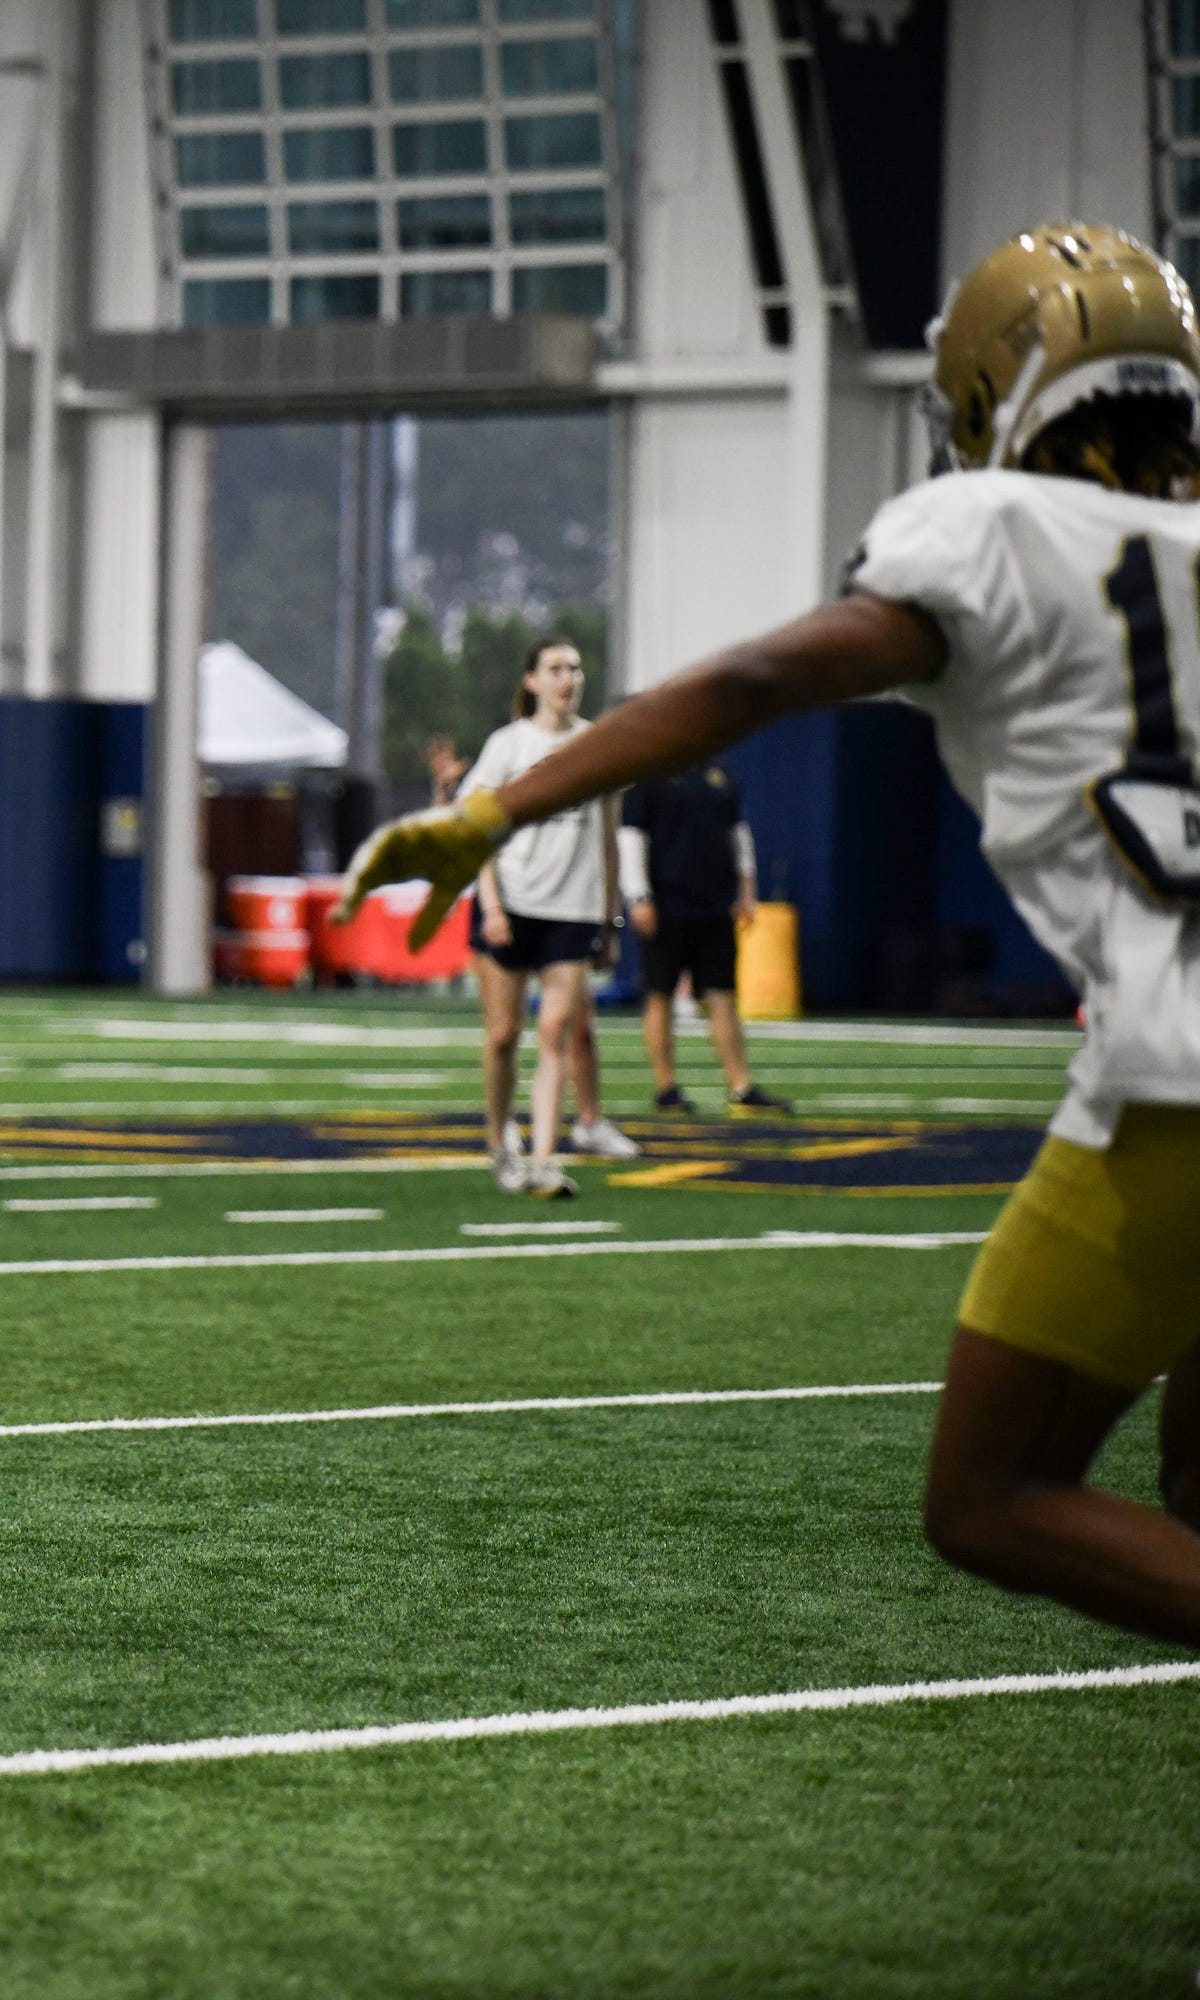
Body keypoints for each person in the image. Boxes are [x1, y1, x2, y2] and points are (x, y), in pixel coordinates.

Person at [342, 222, 1200, 1647]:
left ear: (1003, 388)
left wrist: (501, 811)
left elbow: (755, 680)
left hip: (1177, 1089)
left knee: (988, 1496)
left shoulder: (987, 530)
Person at [459, 643, 640, 1197]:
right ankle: (499, 1141)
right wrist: (490, 904)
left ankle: (543, 1160)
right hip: (510, 908)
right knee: (503, 1036)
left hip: (572, 912)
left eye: (576, 669)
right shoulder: (509, 746)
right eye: (557, 669)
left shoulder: (598, 746)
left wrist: (611, 919)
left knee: (555, 1032)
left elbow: (608, 838)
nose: (569, 678)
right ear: (532, 680)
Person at [622, 763, 794, 1114]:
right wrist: (639, 896)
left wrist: (747, 888)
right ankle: (666, 1087)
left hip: (714, 904)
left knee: (722, 995)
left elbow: (738, 832)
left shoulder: (720, 775)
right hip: (667, 903)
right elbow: (631, 838)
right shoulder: (648, 776)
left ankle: (741, 1086)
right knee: (660, 994)